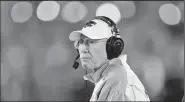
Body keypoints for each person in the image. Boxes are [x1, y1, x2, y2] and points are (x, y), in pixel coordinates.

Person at [69, 16, 150, 101]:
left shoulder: (116, 81)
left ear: (111, 47)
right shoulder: (111, 77)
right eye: (81, 42)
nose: (82, 49)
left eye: (92, 42)